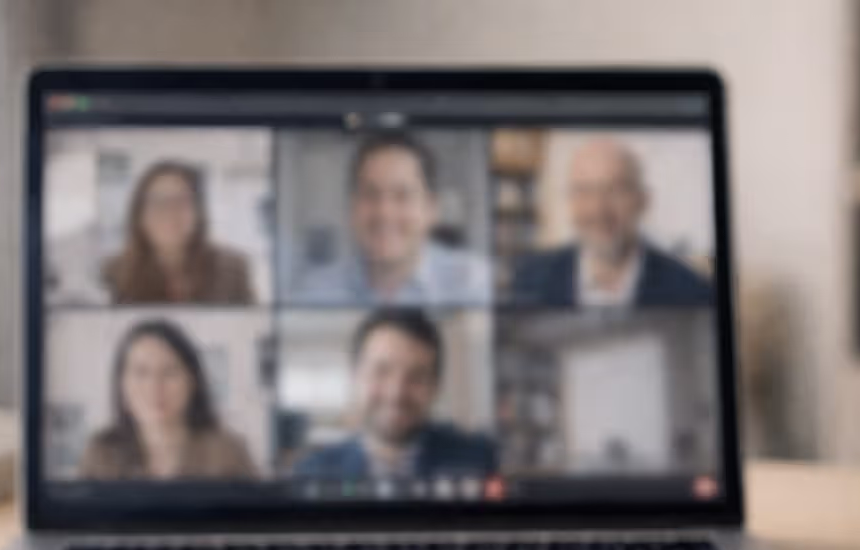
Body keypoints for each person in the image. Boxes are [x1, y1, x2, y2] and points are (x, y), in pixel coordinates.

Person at [292, 309, 496, 479]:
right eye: (382, 371)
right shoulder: (313, 472)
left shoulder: (478, 462)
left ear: (435, 387)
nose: (396, 393)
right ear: (355, 377)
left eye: (416, 376)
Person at [511, 137, 713, 307]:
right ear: (570, 201)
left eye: (615, 190)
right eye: (584, 191)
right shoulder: (530, 281)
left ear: (643, 200)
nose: (598, 209)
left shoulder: (693, 291)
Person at [294, 133, 490, 304]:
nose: (384, 212)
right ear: (352, 207)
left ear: (432, 208)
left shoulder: (470, 283)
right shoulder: (315, 291)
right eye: (370, 194)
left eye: (402, 195)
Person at [78, 319, 259, 481]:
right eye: (141, 373)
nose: (155, 387)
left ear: (192, 382)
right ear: (121, 385)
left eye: (170, 372)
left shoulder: (227, 453)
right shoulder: (101, 455)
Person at [103, 161, 255, 304]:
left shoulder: (234, 269)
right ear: (139, 215)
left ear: (199, 212)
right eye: (158, 202)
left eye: (181, 201)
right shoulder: (112, 273)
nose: (170, 212)